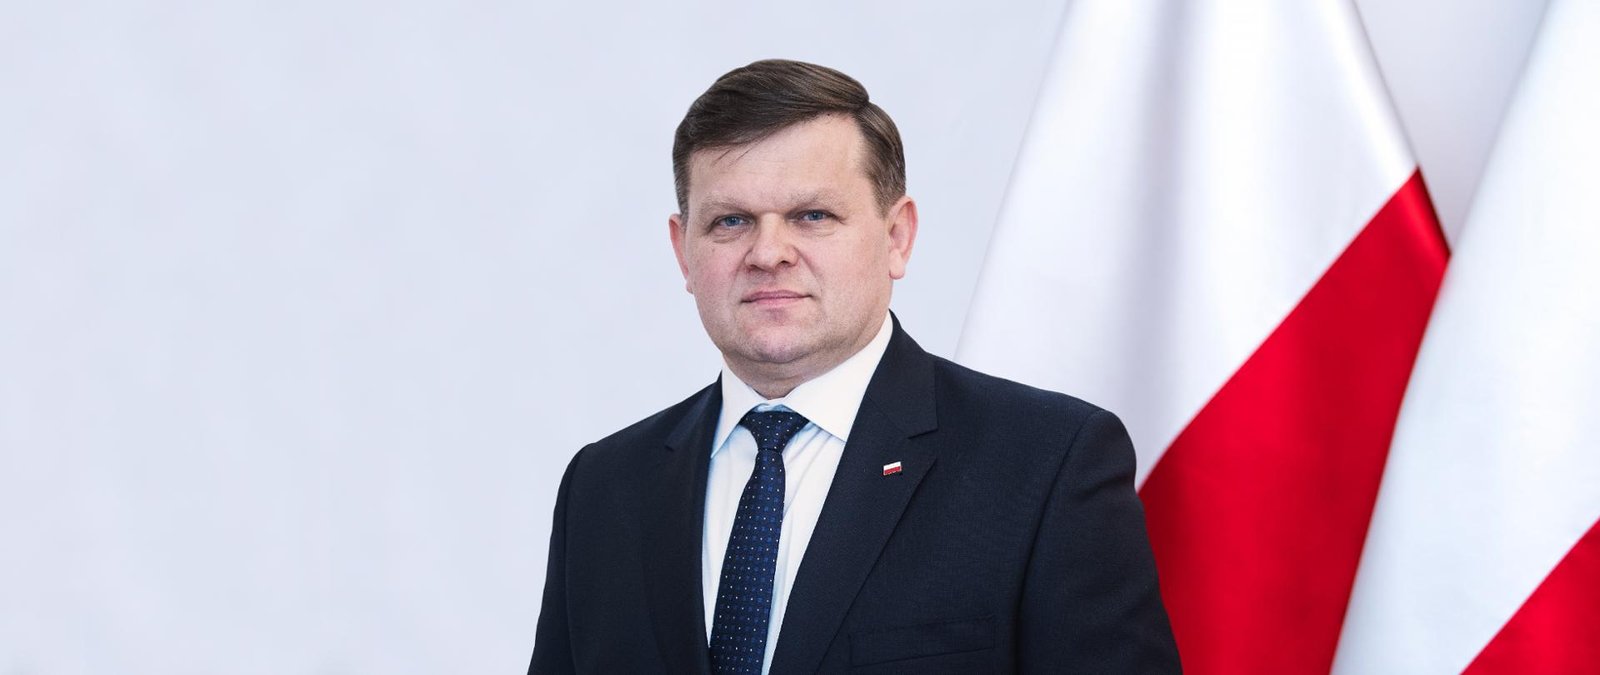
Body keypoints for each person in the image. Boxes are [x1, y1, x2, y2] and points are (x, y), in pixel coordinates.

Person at [529, 59, 1179, 674]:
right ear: (683, 251)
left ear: (897, 237)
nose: (768, 253)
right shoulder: (604, 487)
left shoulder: (1045, 464)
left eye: (812, 216)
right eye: (731, 221)